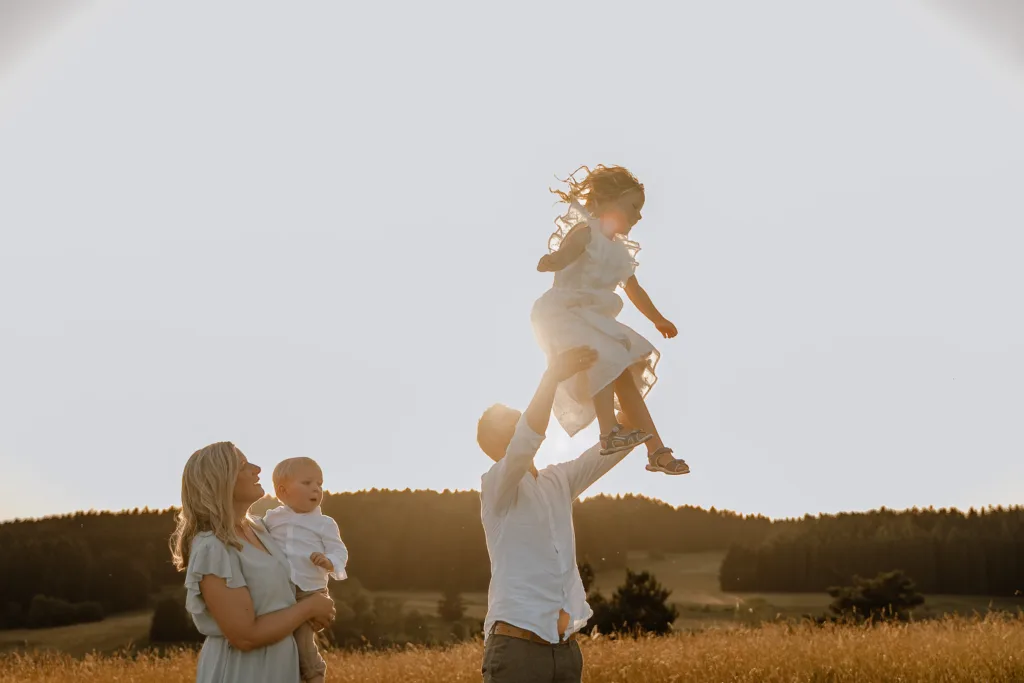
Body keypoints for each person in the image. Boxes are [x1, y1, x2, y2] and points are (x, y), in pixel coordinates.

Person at [477, 346, 638, 683]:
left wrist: (624, 375)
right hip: (516, 652)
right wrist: (551, 376)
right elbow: (529, 437)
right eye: (513, 418)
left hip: (566, 654)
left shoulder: (559, 480)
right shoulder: (495, 485)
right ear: (499, 441)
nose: (522, 416)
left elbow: (620, 440)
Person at [532, 164, 688, 475]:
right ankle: (609, 432)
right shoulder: (586, 233)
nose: (639, 216)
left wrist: (658, 319)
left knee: (623, 373)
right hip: (565, 313)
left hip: (594, 319)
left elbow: (634, 289)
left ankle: (657, 450)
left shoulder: (619, 253)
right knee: (606, 356)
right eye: (633, 206)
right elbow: (567, 253)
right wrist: (553, 261)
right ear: (608, 200)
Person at [170, 442, 336, 683]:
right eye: (243, 465)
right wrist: (309, 608)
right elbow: (245, 636)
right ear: (221, 480)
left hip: (281, 666)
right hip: (243, 671)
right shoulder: (212, 547)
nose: (257, 469)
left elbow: (281, 601)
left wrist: (313, 611)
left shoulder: (260, 529)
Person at [264, 457, 349, 683]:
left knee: (303, 641)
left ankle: (315, 675)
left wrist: (329, 561)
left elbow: (339, 550)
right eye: (307, 482)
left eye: (319, 484)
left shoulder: (324, 523)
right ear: (282, 491)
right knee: (279, 641)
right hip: (280, 591)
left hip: (310, 592)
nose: (316, 489)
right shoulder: (271, 518)